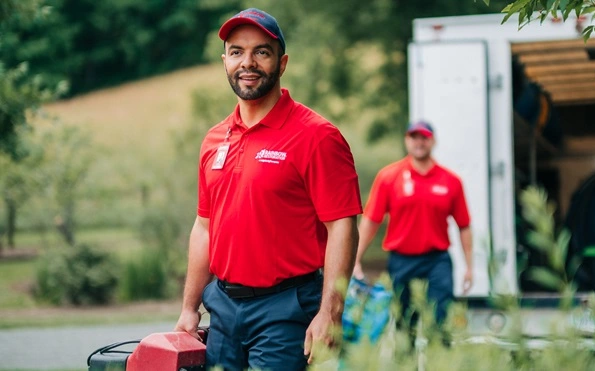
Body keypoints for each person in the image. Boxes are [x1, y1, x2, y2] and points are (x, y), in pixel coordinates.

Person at [174, 8, 362, 371]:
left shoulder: (317, 136)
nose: (248, 63)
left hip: (286, 308)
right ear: (224, 61)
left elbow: (342, 226)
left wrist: (330, 311)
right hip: (224, 310)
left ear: (282, 62)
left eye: (261, 51)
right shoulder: (214, 139)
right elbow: (204, 227)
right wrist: (188, 308)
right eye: (236, 52)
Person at [352, 120, 473, 331]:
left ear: (432, 141)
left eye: (424, 137)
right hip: (402, 262)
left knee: (440, 322)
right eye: (414, 137)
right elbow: (371, 221)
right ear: (407, 140)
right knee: (404, 325)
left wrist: (470, 267)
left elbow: (464, 226)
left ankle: (439, 362)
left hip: (437, 261)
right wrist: (355, 258)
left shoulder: (450, 180)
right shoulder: (389, 177)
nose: (419, 142)